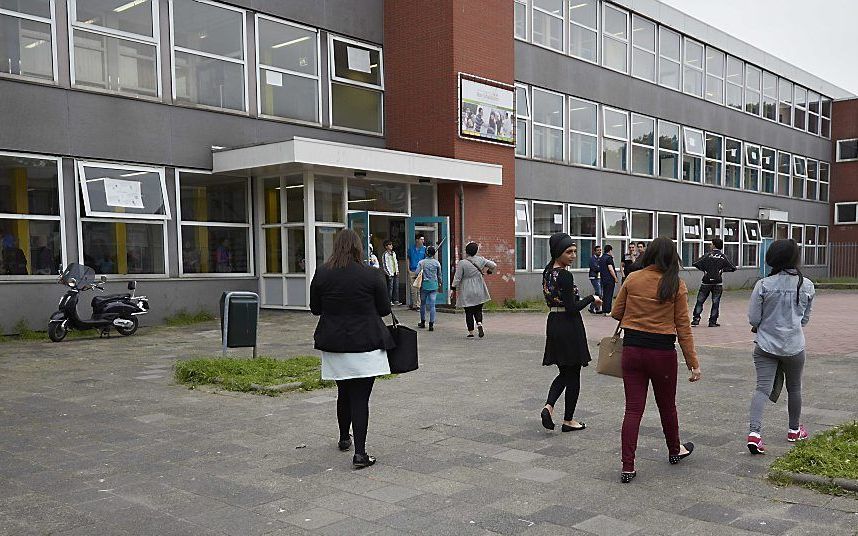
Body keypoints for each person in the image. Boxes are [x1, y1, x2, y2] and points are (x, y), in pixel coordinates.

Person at [611, 237, 702, 483]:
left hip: (632, 350)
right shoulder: (676, 284)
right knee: (667, 406)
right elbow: (683, 327)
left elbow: (616, 312)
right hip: (663, 353)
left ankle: (627, 466)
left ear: (648, 254)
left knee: (632, 409)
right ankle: (675, 449)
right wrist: (693, 363)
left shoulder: (633, 278)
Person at [310, 229, 393, 469]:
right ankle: (361, 453)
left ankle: (344, 438)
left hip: (334, 342)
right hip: (367, 343)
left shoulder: (323, 272)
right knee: (360, 397)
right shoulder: (373, 274)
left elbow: (315, 308)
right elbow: (385, 310)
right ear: (359, 248)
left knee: (343, 391)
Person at [746, 239, 814, 455]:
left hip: (766, 345)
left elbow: (754, 318)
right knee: (794, 388)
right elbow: (804, 320)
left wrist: (762, 327)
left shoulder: (763, 284)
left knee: (761, 388)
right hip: (794, 346)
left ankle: (754, 434)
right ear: (795, 258)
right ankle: (794, 430)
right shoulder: (807, 285)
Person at [540, 233, 602, 433]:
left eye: (574, 251)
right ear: (558, 252)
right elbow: (572, 307)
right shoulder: (565, 275)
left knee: (565, 371)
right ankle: (568, 420)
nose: (573, 255)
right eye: (568, 252)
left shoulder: (548, 272)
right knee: (573, 373)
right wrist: (592, 298)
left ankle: (549, 406)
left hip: (553, 322)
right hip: (569, 324)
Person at [451, 242, 497, 338]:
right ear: (476, 251)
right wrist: (489, 271)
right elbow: (493, 265)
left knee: (469, 311)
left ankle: (471, 332)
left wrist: (454, 287)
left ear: (466, 251)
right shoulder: (481, 260)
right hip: (479, 287)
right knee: (478, 309)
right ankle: (479, 324)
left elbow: (457, 277)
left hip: (467, 288)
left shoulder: (462, 263)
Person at [691, 237, 737, 327]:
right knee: (715, 302)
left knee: (700, 301)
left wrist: (704, 270)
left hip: (706, 282)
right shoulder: (723, 257)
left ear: (714, 245)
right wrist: (722, 270)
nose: (710, 245)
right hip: (717, 283)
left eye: (711, 243)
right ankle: (712, 321)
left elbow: (695, 263)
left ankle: (696, 319)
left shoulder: (707, 255)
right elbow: (733, 267)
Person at [416, 246, 442, 331]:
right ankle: (431, 324)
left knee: (423, 303)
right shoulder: (437, 263)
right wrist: (440, 282)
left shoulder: (421, 262)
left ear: (426, 253)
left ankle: (423, 321)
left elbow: (417, 272)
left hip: (424, 285)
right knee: (432, 305)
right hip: (434, 285)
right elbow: (439, 275)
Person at [407, 234, 427, 310]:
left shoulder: (424, 249)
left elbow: (426, 260)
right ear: (417, 240)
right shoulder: (411, 249)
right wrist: (408, 269)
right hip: (412, 270)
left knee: (419, 288)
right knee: (413, 289)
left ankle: (418, 305)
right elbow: (408, 258)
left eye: (423, 239)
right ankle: (415, 304)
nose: (423, 241)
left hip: (421, 272)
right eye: (421, 239)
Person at [598, 244, 619, 316]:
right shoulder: (609, 258)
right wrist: (615, 278)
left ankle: (604, 310)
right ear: (610, 250)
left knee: (605, 295)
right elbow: (610, 269)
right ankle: (608, 310)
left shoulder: (601, 258)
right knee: (609, 295)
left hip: (603, 279)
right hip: (609, 279)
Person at [381, 240, 400, 305]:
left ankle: (396, 300)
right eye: (389, 245)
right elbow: (385, 265)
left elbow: (396, 262)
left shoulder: (393, 253)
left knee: (396, 286)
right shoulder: (385, 255)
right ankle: (389, 301)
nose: (391, 246)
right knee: (390, 287)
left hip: (395, 272)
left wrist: (397, 270)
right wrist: (388, 273)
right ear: (386, 246)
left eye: (391, 244)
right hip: (390, 273)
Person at [587, 246, 602, 314]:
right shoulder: (592, 259)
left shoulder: (600, 258)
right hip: (594, 277)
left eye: (600, 250)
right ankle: (591, 307)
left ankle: (597, 308)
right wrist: (600, 268)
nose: (599, 251)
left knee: (598, 293)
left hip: (599, 277)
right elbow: (595, 268)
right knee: (598, 292)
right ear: (595, 251)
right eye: (598, 250)